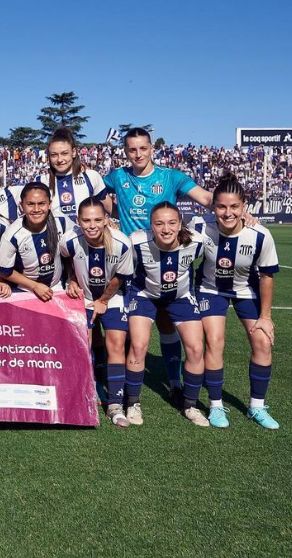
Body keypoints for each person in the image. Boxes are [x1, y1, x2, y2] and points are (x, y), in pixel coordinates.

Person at [102, 127, 215, 402]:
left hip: (167, 258)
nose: (138, 154)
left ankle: (174, 381)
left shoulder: (170, 177)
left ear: (152, 148)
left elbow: (207, 198)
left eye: (143, 148)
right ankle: (120, 384)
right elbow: (100, 199)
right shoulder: (118, 176)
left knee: (166, 323)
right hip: (132, 261)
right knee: (129, 327)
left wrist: (239, 210)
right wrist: (113, 214)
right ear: (125, 151)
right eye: (132, 149)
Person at [192, 174, 280, 429]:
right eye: (221, 206)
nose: (227, 213)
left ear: (244, 207)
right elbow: (170, 231)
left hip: (247, 291)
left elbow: (266, 277)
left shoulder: (260, 235)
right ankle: (216, 406)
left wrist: (265, 316)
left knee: (263, 341)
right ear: (213, 207)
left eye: (234, 207)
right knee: (215, 341)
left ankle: (257, 406)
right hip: (210, 290)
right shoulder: (200, 226)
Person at [125, 202, 209, 427]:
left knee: (195, 348)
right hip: (144, 295)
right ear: (150, 226)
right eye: (159, 223)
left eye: (172, 223)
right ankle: (132, 402)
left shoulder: (197, 241)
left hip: (180, 297)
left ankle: (190, 405)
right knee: (139, 345)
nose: (166, 229)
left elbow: (221, 227)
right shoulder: (137, 242)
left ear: (180, 223)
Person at [62, 197, 133, 427]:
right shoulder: (70, 240)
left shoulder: (121, 243)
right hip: (83, 298)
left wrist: (103, 300)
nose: (92, 225)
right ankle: (87, 395)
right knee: (84, 346)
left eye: (97, 220)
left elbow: (118, 278)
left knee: (116, 345)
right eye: (86, 220)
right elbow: (64, 260)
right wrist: (71, 279)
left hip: (111, 298)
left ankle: (115, 405)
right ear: (77, 221)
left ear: (106, 220)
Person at [0, 182, 73, 302]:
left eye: (41, 204)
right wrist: (34, 286)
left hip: (56, 287)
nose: (36, 209)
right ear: (21, 206)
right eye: (30, 204)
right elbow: (2, 270)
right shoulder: (12, 235)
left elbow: (78, 245)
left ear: (50, 204)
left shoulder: (61, 221)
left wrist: (73, 279)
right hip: (25, 290)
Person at [35, 128, 107, 221]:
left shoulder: (91, 176)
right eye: (54, 155)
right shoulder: (40, 181)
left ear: (73, 152)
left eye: (64, 153)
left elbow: (109, 209)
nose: (59, 159)